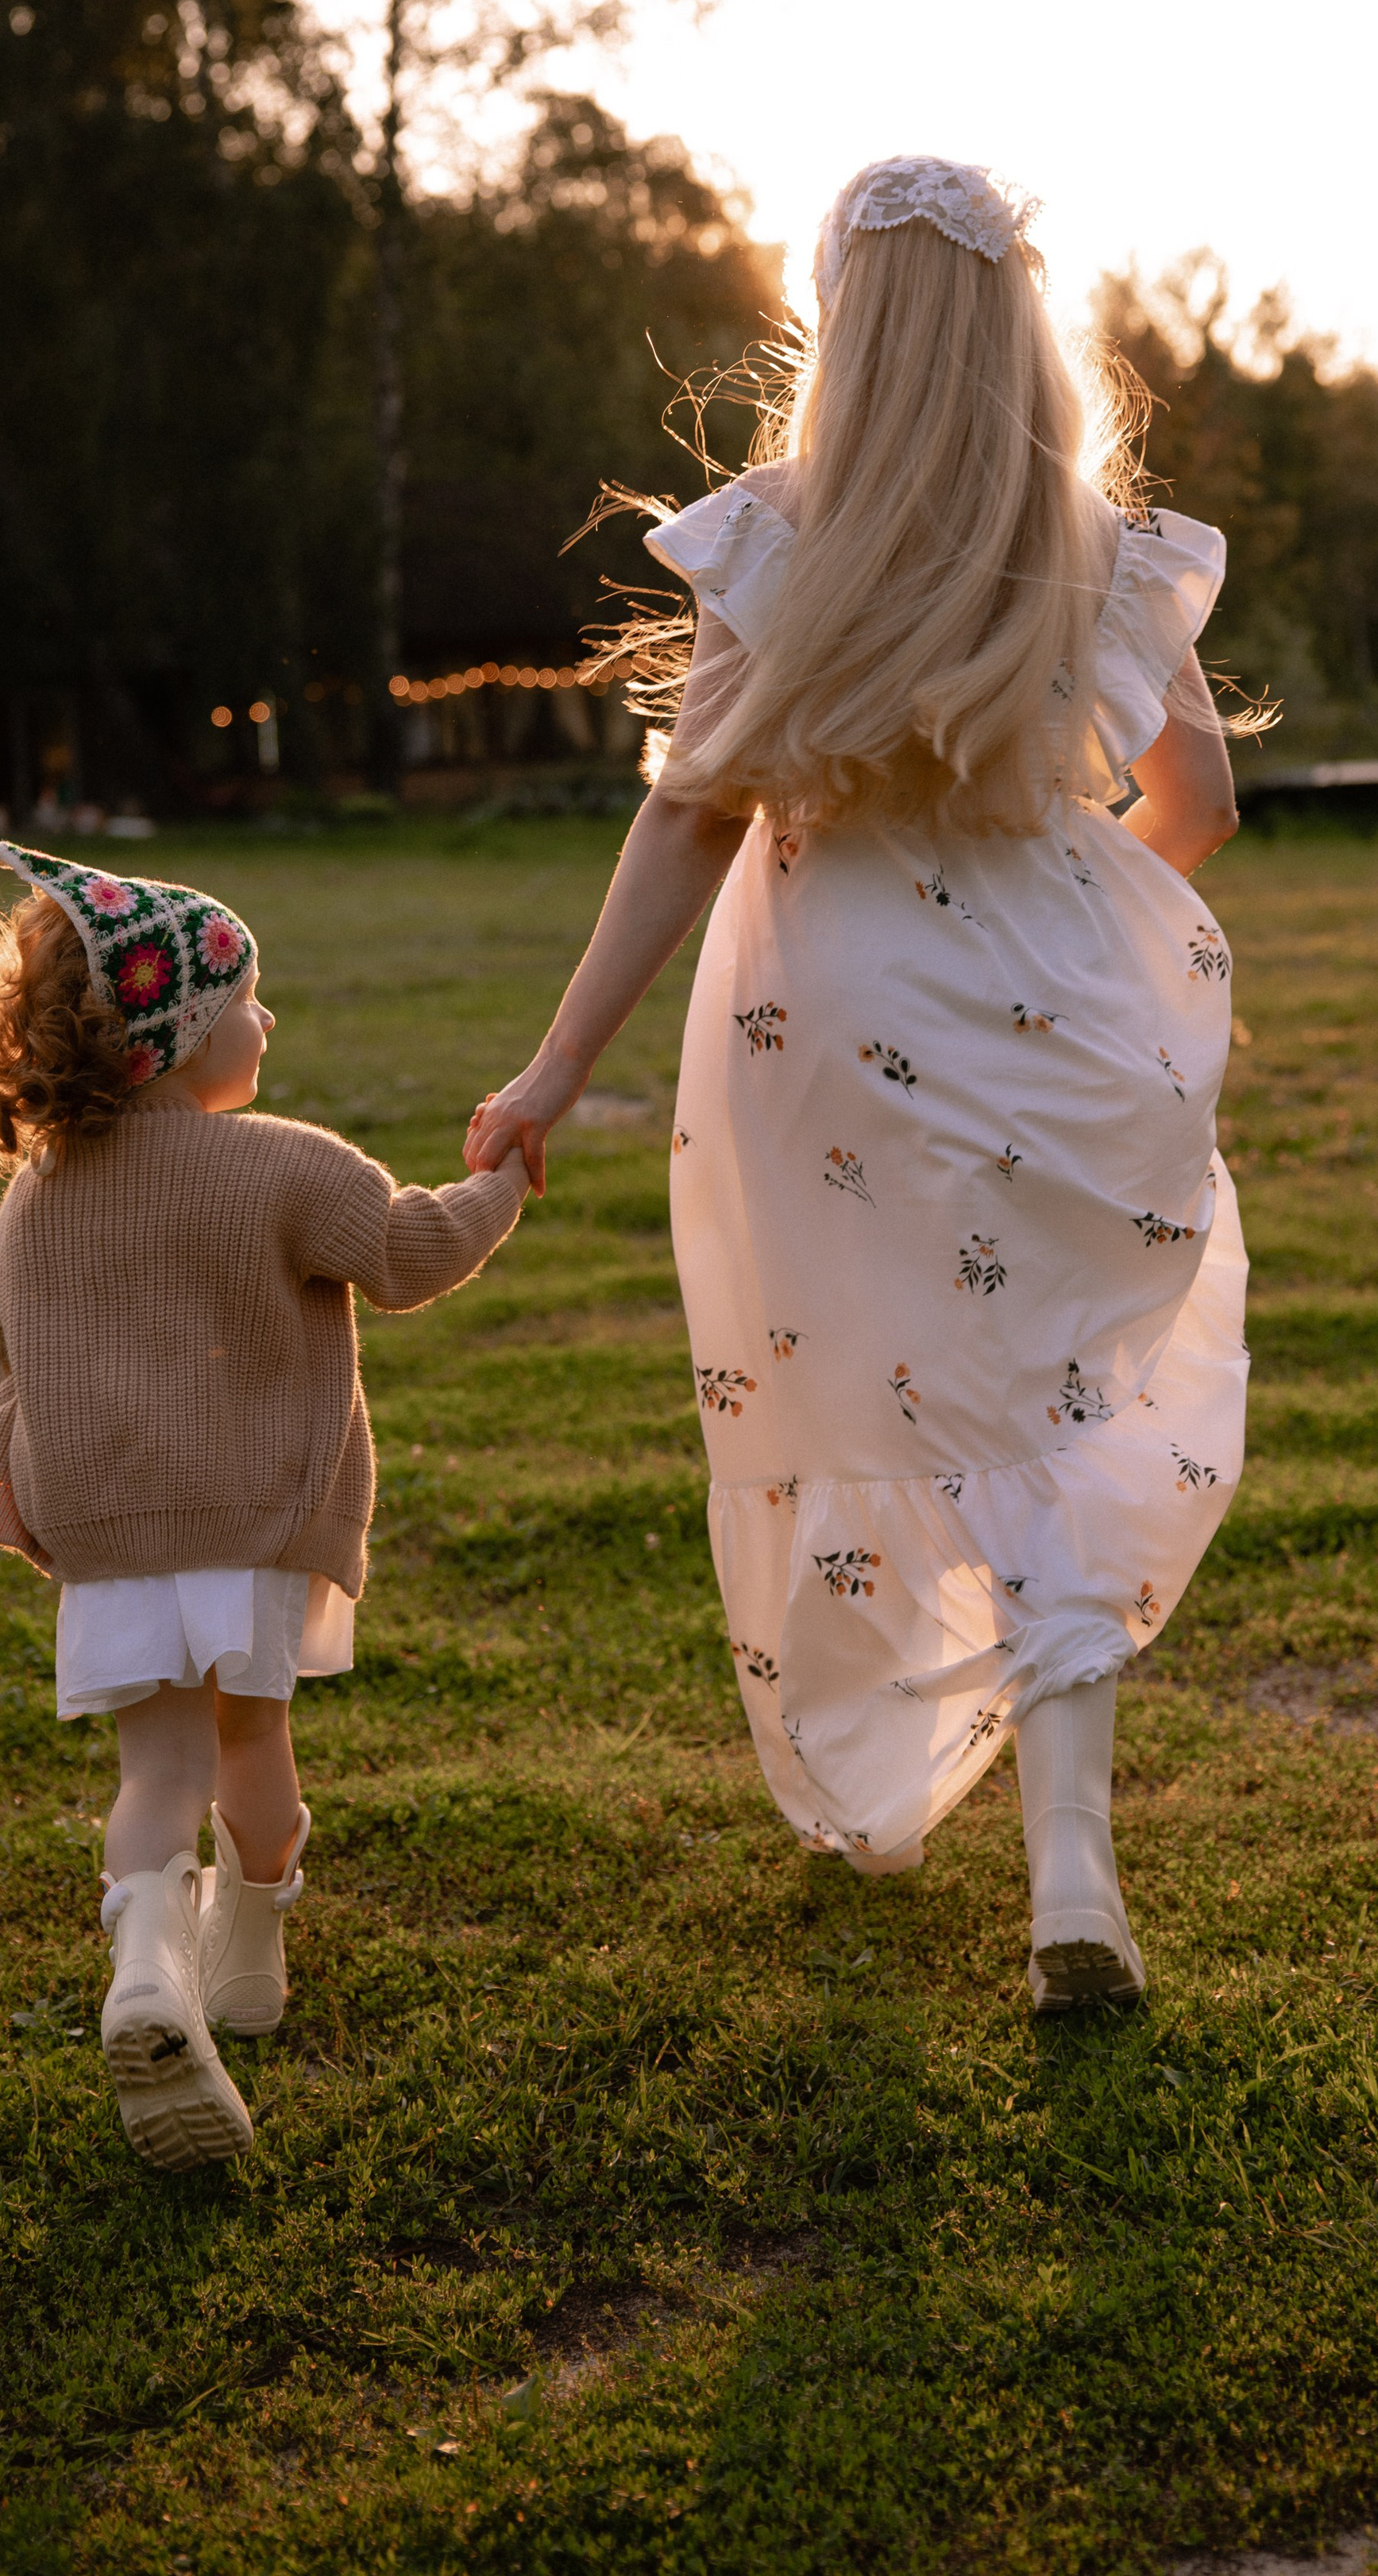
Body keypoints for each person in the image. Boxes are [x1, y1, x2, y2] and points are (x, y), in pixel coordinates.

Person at [466, 155, 1251, 2011]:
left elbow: (689, 810)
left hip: (827, 1024)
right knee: (1050, 1399)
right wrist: (1070, 922)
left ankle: (884, 1782)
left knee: (871, 1386)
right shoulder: (1095, 544)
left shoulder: (773, 533)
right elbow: (1200, 804)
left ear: (838, 326)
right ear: (1017, 327)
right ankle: (1071, 1863)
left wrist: (557, 1062)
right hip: (1054, 1010)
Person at [0, 844, 525, 2166]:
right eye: (247, 999)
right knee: (255, 1746)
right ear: (179, 1034)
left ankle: (147, 1964)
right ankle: (249, 1945)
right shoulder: (284, 1165)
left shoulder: (34, 1200)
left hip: (111, 1536)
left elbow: (4, 1357)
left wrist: (6, 1476)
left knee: (157, 1771)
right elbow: (408, 1252)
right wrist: (504, 1183)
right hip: (249, 1523)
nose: (267, 1019)